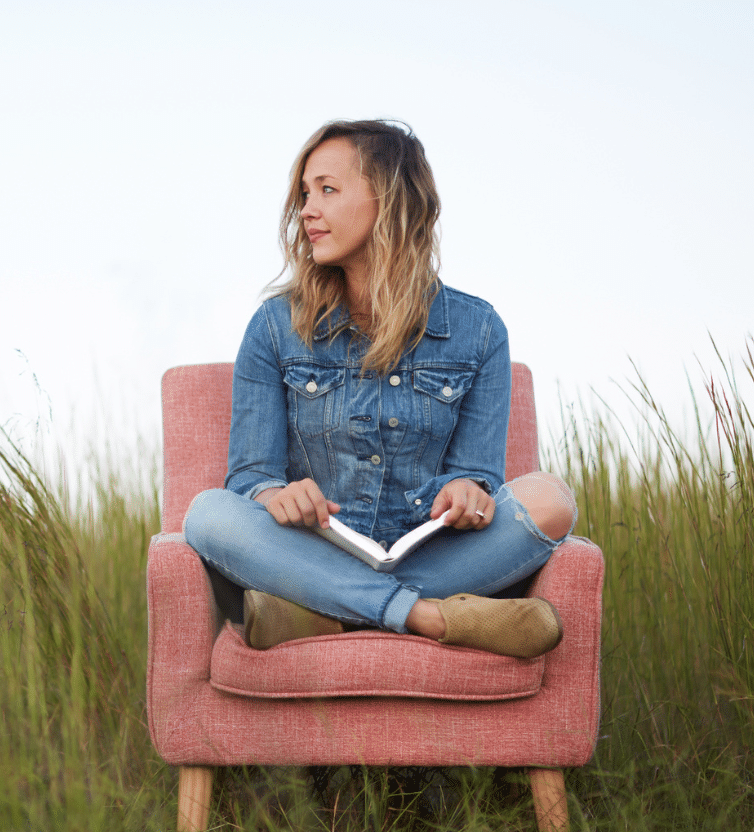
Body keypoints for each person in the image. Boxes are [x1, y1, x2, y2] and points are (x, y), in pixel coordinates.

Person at [182, 119, 578, 658]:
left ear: (388, 200)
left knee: (551, 500)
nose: (306, 211)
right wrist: (277, 495)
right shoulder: (275, 327)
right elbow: (251, 477)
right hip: (317, 551)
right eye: (303, 194)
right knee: (207, 514)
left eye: (327, 189)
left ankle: (328, 615)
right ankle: (427, 616)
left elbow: (479, 474)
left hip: (429, 552)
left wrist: (467, 492)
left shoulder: (479, 329)